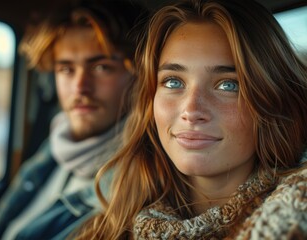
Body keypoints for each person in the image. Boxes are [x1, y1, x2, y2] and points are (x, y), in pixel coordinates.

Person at [73, 0, 307, 239]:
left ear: (274, 98)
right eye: (173, 82)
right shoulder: (109, 226)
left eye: (228, 85)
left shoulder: (296, 216)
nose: (191, 110)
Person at [0, 0, 148, 239]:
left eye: (101, 67)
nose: (80, 88)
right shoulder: (57, 147)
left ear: (139, 75)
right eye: (66, 69)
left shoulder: (134, 187)